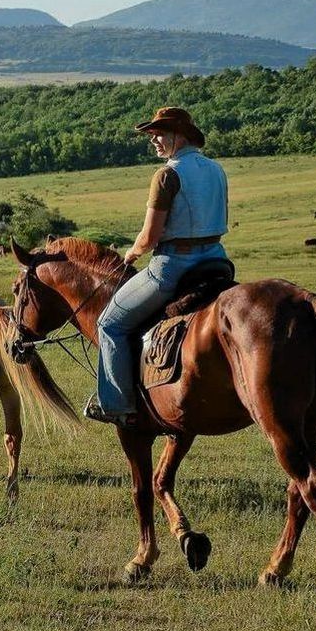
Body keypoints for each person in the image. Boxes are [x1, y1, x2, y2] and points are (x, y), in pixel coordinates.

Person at [86, 107, 229, 427]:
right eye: (152, 135)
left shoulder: (167, 174)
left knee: (109, 324)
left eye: (159, 134)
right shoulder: (216, 169)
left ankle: (115, 405)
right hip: (217, 261)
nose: (154, 140)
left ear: (179, 135)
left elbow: (150, 236)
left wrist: (131, 254)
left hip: (173, 266)